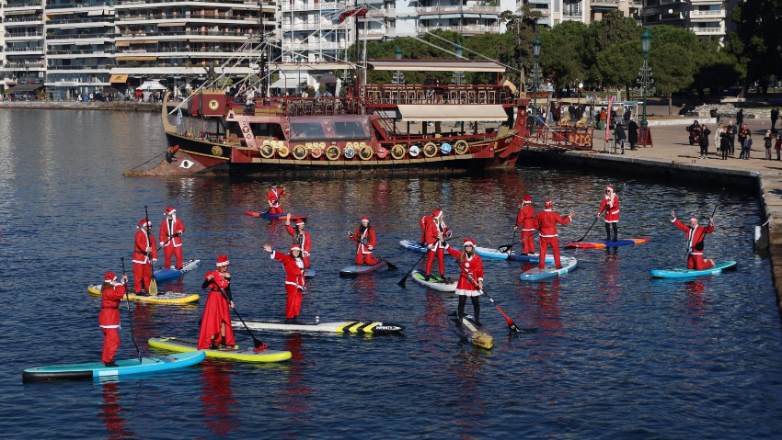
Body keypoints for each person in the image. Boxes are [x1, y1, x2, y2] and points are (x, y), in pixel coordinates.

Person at [197, 255, 235, 350]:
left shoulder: (227, 275)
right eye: (223, 267)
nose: (225, 268)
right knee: (213, 320)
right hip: (213, 299)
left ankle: (223, 341)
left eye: (226, 266)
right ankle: (213, 342)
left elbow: (228, 289)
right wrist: (207, 280)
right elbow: (203, 286)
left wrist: (231, 301)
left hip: (223, 299)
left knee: (224, 320)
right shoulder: (212, 274)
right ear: (219, 266)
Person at [263, 244, 305, 322]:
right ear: (291, 251)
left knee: (297, 302)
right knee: (291, 301)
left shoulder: (300, 260)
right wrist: (272, 251)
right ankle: (289, 318)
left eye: (298, 251)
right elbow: (280, 256)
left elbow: (301, 273)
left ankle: (295, 318)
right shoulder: (288, 258)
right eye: (294, 251)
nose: (296, 252)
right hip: (291, 283)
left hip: (299, 284)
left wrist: (302, 284)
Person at [446, 239, 484, 325]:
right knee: (461, 302)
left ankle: (477, 320)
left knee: (476, 303)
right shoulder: (461, 255)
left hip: (473, 281)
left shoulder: (477, 258)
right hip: (463, 281)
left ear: (472, 247)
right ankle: (460, 320)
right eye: (466, 246)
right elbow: (450, 250)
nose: (468, 247)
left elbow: (480, 270)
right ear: (464, 247)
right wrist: (443, 242)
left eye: (470, 246)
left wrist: (480, 281)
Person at [99, 271, 128, 367]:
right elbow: (119, 294)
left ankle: (105, 360)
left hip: (110, 317)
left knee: (108, 341)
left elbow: (120, 293)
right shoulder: (108, 290)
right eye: (115, 280)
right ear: (111, 281)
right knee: (114, 341)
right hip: (109, 318)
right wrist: (120, 284)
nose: (116, 282)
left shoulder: (108, 289)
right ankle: (108, 361)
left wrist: (123, 283)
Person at [536, 200, 574, 269]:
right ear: (551, 206)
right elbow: (562, 222)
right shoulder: (555, 214)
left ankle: (541, 266)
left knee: (542, 251)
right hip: (553, 235)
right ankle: (558, 266)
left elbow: (536, 225)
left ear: (545, 205)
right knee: (556, 250)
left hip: (543, 235)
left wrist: (539, 229)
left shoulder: (539, 214)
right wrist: (569, 217)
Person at [423, 209, 451, 280]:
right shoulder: (431, 223)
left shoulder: (442, 222)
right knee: (430, 259)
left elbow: (446, 229)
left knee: (441, 259)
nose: (443, 216)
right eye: (442, 215)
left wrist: (448, 232)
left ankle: (442, 275)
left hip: (441, 242)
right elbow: (428, 234)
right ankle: (427, 275)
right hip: (433, 243)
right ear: (438, 216)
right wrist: (429, 244)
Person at [131, 219, 157, 294]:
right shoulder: (139, 234)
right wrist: (146, 248)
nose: (150, 228)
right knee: (138, 276)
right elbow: (139, 243)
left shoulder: (151, 236)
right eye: (148, 226)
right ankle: (138, 290)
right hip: (138, 258)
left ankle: (147, 289)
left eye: (151, 226)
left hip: (147, 259)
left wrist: (154, 257)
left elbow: (154, 247)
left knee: (147, 275)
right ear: (144, 227)